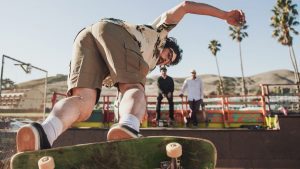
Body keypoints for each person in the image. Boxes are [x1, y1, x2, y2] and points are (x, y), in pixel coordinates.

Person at [16, 1, 246, 152]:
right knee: (134, 87)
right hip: (115, 31)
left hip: (87, 37)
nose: (165, 60)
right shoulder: (159, 32)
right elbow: (185, 6)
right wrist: (224, 14)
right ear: (166, 44)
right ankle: (127, 127)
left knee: (84, 103)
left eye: (169, 62)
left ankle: (43, 132)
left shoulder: (147, 62)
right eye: (169, 54)